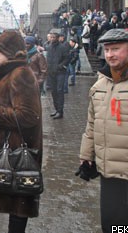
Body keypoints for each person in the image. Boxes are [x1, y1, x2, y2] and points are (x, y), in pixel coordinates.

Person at [0, 30, 43, 233]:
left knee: (19, 201)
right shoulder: (7, 72)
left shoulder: (20, 74)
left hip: (17, 151)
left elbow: (29, 116)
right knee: (16, 202)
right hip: (6, 149)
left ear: (8, 51)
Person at [78, 29, 128, 233]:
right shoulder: (100, 84)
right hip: (109, 171)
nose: (110, 55)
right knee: (114, 225)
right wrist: (86, 154)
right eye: (107, 50)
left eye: (116, 49)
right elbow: (92, 123)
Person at [46, 31, 69, 119]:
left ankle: (60, 111)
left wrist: (60, 66)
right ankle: (56, 109)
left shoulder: (62, 47)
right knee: (53, 91)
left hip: (60, 72)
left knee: (59, 91)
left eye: (53, 37)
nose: (52, 39)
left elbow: (67, 58)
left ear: (57, 38)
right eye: (51, 37)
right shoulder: (49, 47)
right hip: (51, 72)